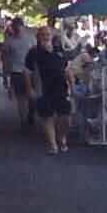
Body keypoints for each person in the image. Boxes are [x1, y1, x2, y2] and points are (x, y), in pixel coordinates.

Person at [29, 24, 74, 153]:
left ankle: (61, 136)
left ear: (52, 36)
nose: (45, 37)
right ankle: (53, 144)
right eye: (42, 35)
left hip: (61, 88)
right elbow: (27, 71)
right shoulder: (34, 52)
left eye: (48, 34)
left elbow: (67, 70)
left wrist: (72, 85)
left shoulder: (59, 51)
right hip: (43, 89)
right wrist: (29, 88)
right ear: (38, 37)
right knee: (47, 117)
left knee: (66, 118)